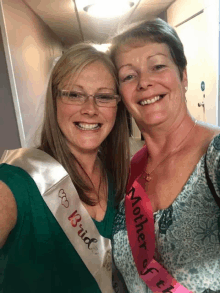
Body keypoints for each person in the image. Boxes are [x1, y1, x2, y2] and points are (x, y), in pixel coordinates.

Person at [0, 43, 130, 293]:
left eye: (103, 96)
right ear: (55, 100)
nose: (90, 109)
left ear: (117, 106)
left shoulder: (117, 178)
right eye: (74, 94)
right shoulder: (18, 181)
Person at [110, 18, 220, 293]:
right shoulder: (125, 173)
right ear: (121, 95)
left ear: (183, 76)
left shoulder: (215, 156)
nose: (144, 82)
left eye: (158, 66)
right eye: (128, 76)